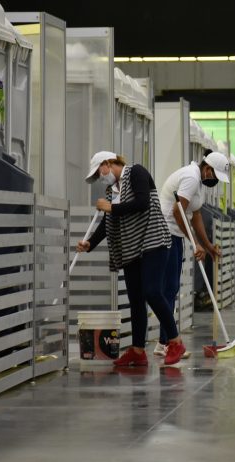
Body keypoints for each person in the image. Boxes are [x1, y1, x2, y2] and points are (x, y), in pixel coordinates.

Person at [76, 151, 187, 366]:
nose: (100, 178)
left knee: (153, 292)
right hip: (131, 248)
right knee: (136, 298)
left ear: (108, 163)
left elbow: (143, 202)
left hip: (154, 241)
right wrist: (90, 243)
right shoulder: (112, 191)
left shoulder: (137, 172)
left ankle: (175, 341)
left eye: (100, 172)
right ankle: (137, 350)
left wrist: (112, 207)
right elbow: (108, 222)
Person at [155, 150, 230, 357]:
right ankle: (166, 342)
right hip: (165, 233)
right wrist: (195, 244)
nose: (215, 181)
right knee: (168, 289)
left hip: (175, 234)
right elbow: (178, 211)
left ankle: (164, 342)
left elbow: (195, 216)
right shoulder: (190, 177)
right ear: (207, 169)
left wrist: (207, 246)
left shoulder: (198, 183)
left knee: (171, 289)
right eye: (215, 176)